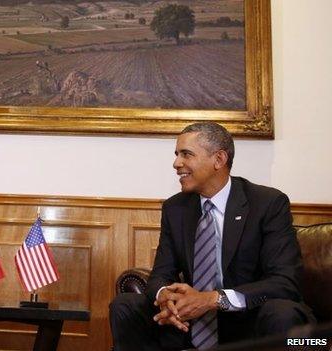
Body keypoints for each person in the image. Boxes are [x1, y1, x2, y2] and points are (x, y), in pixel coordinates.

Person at [109, 122, 315, 350]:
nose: (176, 163)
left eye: (186, 154)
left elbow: (285, 282)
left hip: (247, 324)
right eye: (177, 154)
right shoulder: (175, 208)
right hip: (188, 325)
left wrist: (213, 299)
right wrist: (165, 295)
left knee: (282, 313)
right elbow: (161, 274)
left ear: (219, 160)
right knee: (126, 305)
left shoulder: (267, 204)